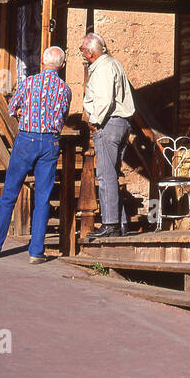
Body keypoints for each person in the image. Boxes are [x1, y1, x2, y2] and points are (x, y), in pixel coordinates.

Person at [0, 45, 72, 265]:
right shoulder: (65, 89)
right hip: (50, 142)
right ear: (63, 66)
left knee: (10, 193)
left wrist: (21, 111)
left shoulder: (29, 83)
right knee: (43, 197)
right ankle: (36, 252)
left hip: (26, 140)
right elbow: (63, 116)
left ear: (42, 61)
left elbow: (12, 108)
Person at [79, 32, 135, 239]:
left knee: (105, 175)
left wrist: (94, 121)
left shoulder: (103, 68)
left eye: (82, 50)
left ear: (90, 52)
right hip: (120, 124)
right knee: (111, 174)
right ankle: (119, 224)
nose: (82, 53)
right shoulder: (112, 64)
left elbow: (104, 100)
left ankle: (110, 223)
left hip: (109, 123)